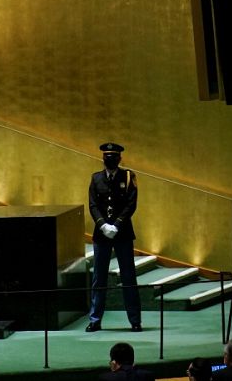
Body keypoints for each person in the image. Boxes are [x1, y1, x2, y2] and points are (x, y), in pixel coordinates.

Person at [87, 142, 142, 333]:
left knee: (128, 277)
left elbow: (131, 203)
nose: (110, 160)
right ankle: (95, 320)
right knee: (98, 278)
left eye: (113, 157)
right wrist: (102, 224)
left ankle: (135, 320)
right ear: (103, 159)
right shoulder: (96, 179)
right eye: (107, 157)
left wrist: (116, 225)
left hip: (123, 233)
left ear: (119, 158)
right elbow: (93, 204)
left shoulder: (127, 177)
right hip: (102, 234)